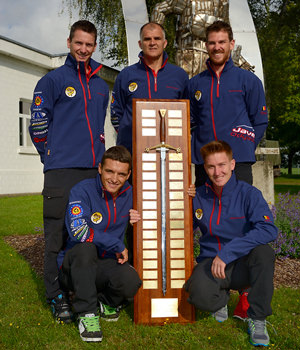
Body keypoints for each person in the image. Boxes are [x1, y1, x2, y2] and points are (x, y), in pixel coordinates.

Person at [29, 20, 109, 323]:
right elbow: (38, 125)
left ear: (94, 46)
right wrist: (50, 154)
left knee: (86, 235)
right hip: (60, 172)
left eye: (89, 44)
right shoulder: (52, 80)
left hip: (92, 174)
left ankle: (82, 288)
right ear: (69, 42)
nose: (83, 49)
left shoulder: (101, 86)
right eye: (79, 43)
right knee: (57, 237)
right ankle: (57, 296)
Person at [184, 140, 278, 347]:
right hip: (212, 263)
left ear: (233, 164)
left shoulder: (249, 194)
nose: (217, 172)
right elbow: (181, 229)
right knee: (198, 297)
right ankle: (221, 298)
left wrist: (227, 253)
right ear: (205, 168)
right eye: (211, 166)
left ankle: (257, 318)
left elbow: (268, 229)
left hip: (241, 264)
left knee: (264, 254)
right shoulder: (197, 196)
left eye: (222, 165)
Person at [57, 146, 142, 342]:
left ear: (128, 174)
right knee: (86, 248)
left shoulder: (131, 193)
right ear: (100, 168)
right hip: (75, 266)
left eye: (121, 174)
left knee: (131, 282)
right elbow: (79, 232)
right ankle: (87, 314)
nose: (114, 179)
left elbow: (161, 200)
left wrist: (188, 191)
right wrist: (117, 245)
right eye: (110, 171)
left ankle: (106, 302)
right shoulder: (82, 190)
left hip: (105, 265)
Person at [188, 20, 268, 187]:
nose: (217, 47)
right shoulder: (195, 84)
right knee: (206, 212)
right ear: (206, 45)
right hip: (205, 164)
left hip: (238, 162)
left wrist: (244, 146)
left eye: (222, 42)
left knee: (238, 212)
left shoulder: (249, 81)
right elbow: (191, 121)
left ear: (231, 44)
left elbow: (259, 121)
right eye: (212, 43)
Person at [110, 22, 189, 155]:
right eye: (147, 39)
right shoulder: (126, 75)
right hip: (132, 152)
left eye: (157, 38)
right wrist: (130, 136)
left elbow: (188, 115)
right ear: (140, 44)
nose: (152, 43)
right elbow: (116, 114)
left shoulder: (179, 76)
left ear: (164, 43)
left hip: (170, 151)